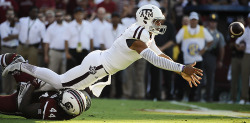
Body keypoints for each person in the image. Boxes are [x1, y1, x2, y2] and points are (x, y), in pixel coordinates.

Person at [3, 5, 203, 98]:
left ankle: (29, 91)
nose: (159, 25)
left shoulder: (144, 33)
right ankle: (21, 64)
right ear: (146, 19)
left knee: (60, 84)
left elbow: (160, 55)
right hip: (97, 66)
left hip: (100, 64)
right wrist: (181, 66)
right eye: (157, 21)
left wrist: (180, 71)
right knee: (61, 82)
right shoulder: (138, 35)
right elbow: (153, 59)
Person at [0, 53, 91, 120]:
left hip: (23, 100)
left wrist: (32, 85)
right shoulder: (77, 104)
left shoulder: (51, 109)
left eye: (60, 97)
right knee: (14, 58)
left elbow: (24, 108)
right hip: (36, 88)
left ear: (63, 106)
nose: (59, 94)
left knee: (16, 61)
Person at [175, 11, 213, 101]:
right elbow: (176, 40)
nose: (193, 21)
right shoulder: (184, 29)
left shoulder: (202, 29)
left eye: (195, 20)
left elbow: (210, 40)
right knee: (184, 79)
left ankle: (193, 97)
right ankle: (183, 96)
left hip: (197, 59)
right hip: (186, 59)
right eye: (192, 20)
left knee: (195, 80)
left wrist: (205, 49)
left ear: (197, 20)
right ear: (190, 20)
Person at [204, 13, 225, 102]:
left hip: (212, 55)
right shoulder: (203, 31)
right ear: (209, 22)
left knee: (210, 77)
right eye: (211, 21)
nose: (212, 23)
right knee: (199, 76)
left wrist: (220, 60)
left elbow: (222, 48)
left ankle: (209, 97)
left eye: (214, 22)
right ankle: (196, 96)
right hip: (202, 54)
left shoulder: (219, 35)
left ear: (217, 23)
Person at [0, 9, 19, 95]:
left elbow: (20, 36)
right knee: (5, 70)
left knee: (15, 70)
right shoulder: (2, 25)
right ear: (6, 15)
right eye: (9, 14)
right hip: (6, 49)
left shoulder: (18, 25)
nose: (10, 16)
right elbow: (5, 38)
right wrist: (16, 36)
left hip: (16, 49)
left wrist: (11, 36)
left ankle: (13, 91)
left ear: (14, 15)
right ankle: (5, 91)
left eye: (12, 14)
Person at [234, 13, 250, 104]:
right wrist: (239, 47)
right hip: (247, 54)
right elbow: (237, 42)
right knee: (245, 77)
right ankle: (244, 97)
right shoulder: (246, 30)